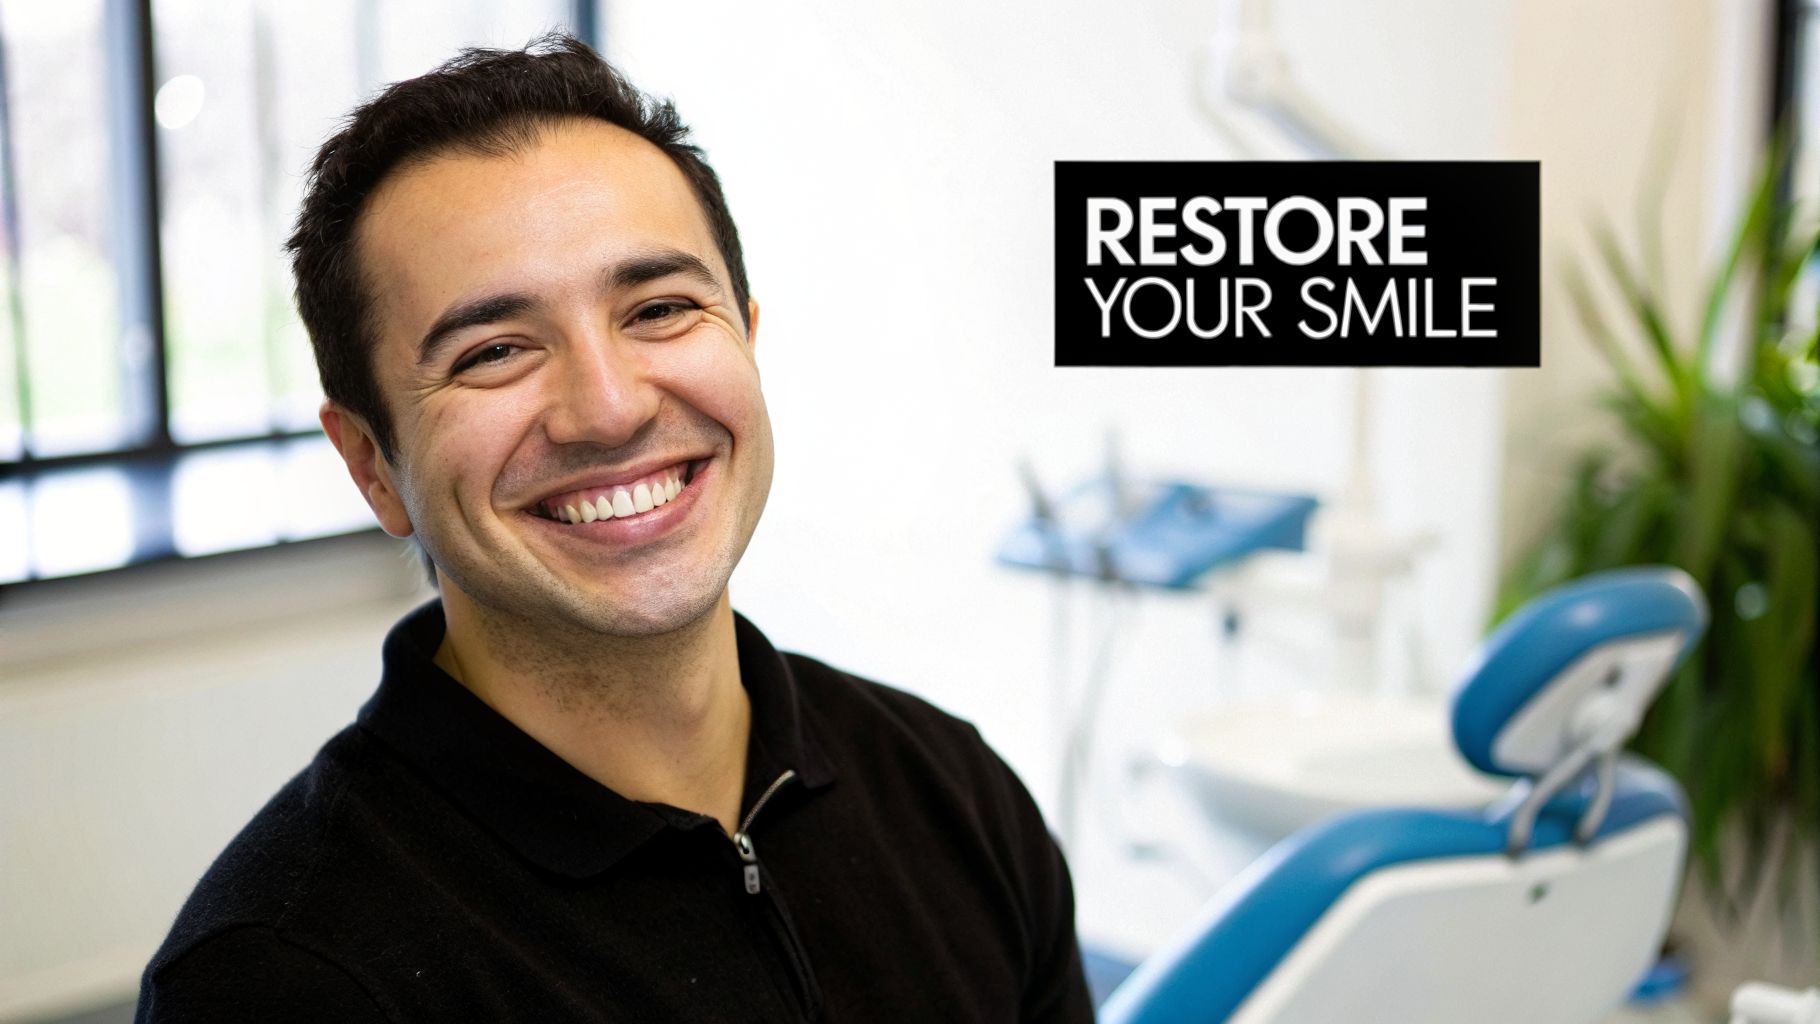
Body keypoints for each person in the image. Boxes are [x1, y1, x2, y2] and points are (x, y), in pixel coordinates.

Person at [134, 33, 1093, 1023]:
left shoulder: (952, 794)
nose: (608, 408)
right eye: (495, 350)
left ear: (746, 342)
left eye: (660, 308)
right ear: (372, 464)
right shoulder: (281, 981)